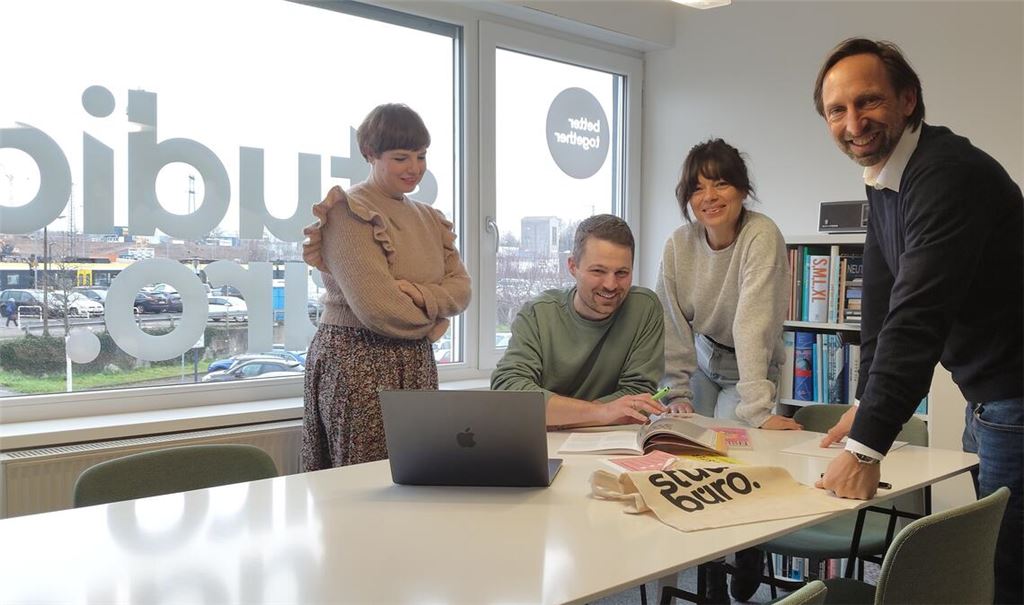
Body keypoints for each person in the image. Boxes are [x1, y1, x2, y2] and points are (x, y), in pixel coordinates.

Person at [811, 38, 1023, 604]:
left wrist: (865, 450)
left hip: (1015, 394)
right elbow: (881, 300)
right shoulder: (888, 176)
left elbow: (917, 315)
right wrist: (864, 404)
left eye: (868, 101)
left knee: (1005, 567)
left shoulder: (945, 174)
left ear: (908, 99)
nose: (853, 123)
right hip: (990, 396)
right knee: (992, 560)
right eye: (836, 110)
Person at [656, 138, 801, 602]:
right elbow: (671, 321)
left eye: (720, 184)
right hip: (703, 357)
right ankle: (710, 569)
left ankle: (748, 545)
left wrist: (758, 409)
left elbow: (752, 323)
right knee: (689, 461)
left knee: (730, 462)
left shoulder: (762, 235)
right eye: (697, 188)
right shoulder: (679, 245)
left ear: (741, 189)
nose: (709, 197)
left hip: (748, 365)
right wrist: (676, 392)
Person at [299, 103, 472, 470]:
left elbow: (462, 289)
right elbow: (379, 309)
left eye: (421, 156)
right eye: (400, 158)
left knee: (420, 472)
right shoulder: (348, 211)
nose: (414, 168)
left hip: (416, 361)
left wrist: (421, 295)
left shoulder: (430, 218)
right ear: (370, 154)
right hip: (357, 359)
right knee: (361, 480)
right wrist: (436, 321)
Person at [491, 214, 668, 428]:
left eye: (622, 273)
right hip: (547, 438)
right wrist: (601, 412)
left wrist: (559, 415)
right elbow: (508, 390)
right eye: (598, 271)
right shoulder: (537, 313)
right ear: (572, 266)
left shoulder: (645, 308)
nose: (611, 285)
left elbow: (639, 396)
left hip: (609, 438)